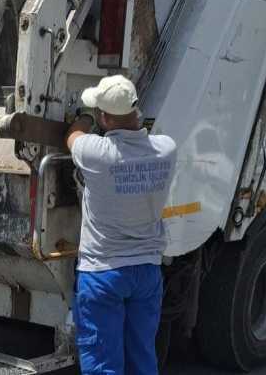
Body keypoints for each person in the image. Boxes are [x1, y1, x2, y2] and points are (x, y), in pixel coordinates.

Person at [64, 74, 177, 375]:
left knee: (103, 364)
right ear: (136, 109)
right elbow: (146, 138)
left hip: (102, 273)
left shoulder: (95, 153)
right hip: (146, 271)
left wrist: (84, 118)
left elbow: (72, 137)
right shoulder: (166, 149)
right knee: (142, 356)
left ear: (104, 117)